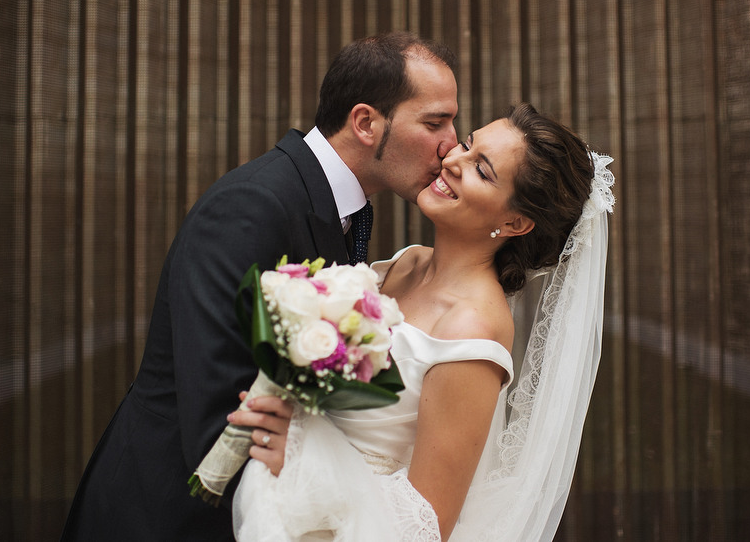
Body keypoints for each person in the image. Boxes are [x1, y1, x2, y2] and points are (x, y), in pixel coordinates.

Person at [60, 32, 460, 541]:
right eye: (435, 122)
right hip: (168, 515)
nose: (451, 144)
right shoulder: (251, 207)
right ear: (365, 123)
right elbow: (218, 415)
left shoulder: (342, 207)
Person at [232, 103, 615, 540]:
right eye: (467, 145)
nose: (451, 160)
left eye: (481, 170)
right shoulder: (406, 263)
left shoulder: (473, 329)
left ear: (514, 222)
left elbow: (426, 521)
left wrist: (299, 459)